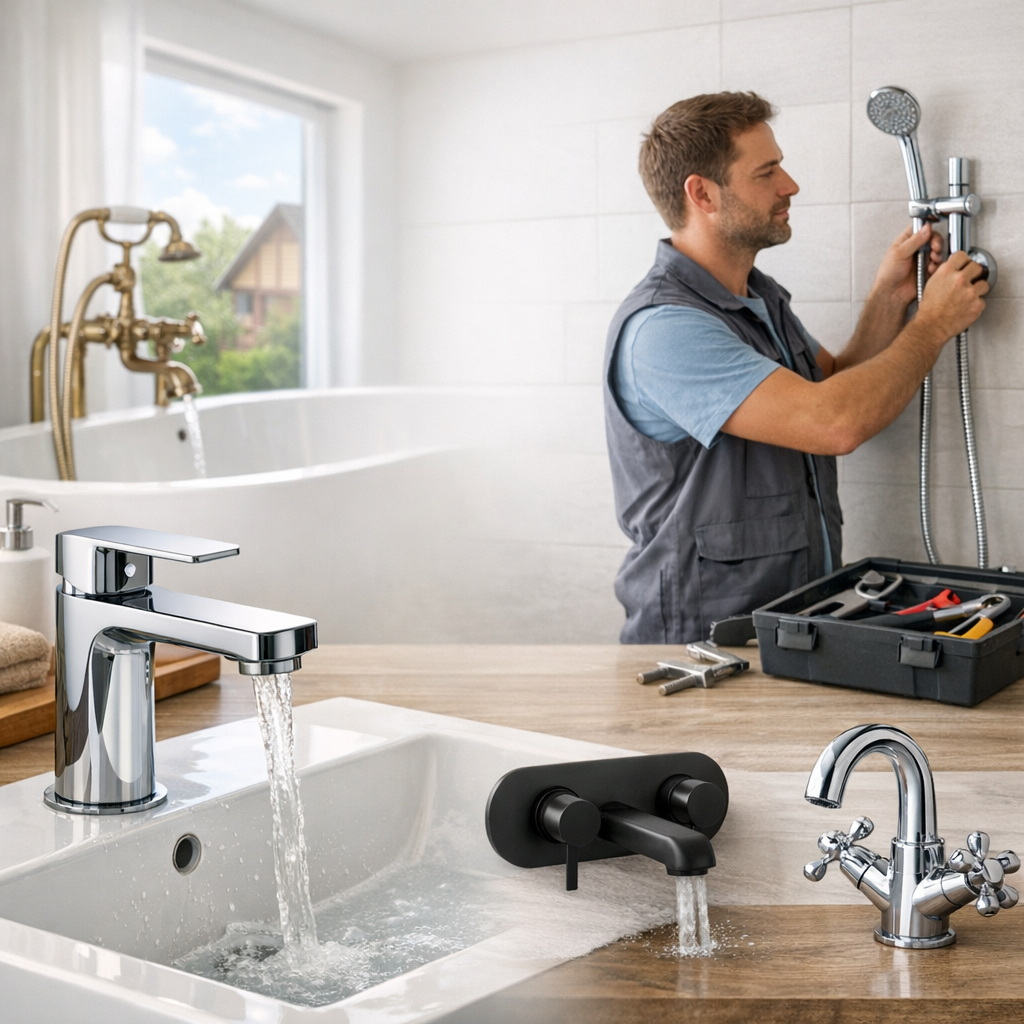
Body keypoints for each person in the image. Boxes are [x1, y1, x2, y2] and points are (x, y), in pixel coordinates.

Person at [605, 91, 989, 643]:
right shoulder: (664, 330)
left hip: (790, 621)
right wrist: (931, 324)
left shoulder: (756, 298)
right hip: (702, 645)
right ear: (702, 194)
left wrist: (889, 298)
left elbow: (828, 385)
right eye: (767, 172)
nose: (790, 185)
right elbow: (833, 423)